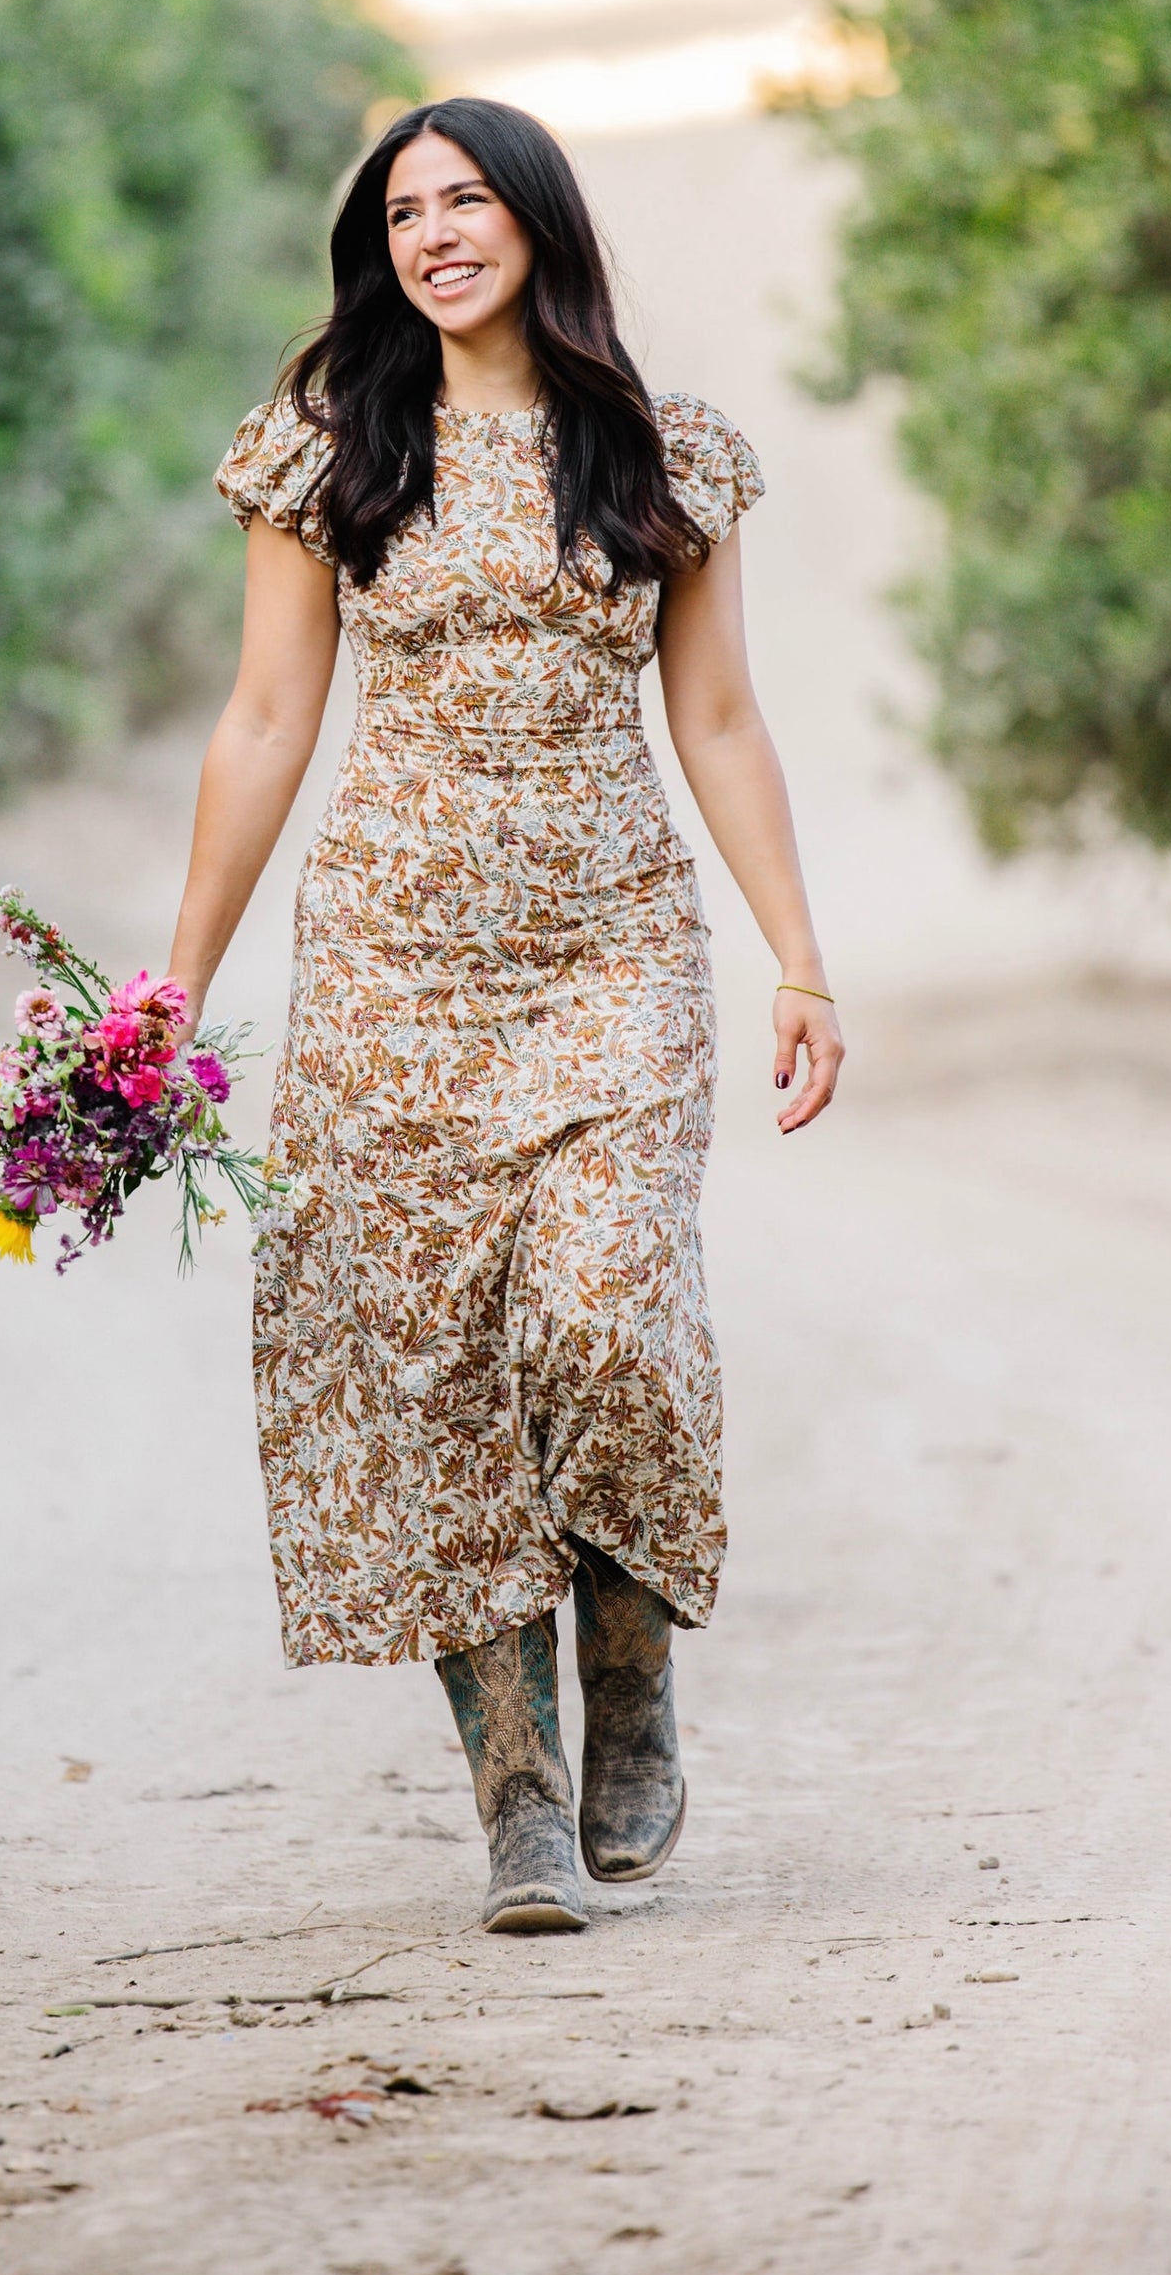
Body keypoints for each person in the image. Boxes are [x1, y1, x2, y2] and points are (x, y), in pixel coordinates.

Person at [162, 97, 842, 1934]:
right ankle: (519, 1800)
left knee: (606, 1319)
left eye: (468, 201)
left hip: (612, 959)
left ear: (540, 221)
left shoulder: (659, 454)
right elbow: (265, 721)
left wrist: (796, 956)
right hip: (387, 978)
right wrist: (179, 986)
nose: (436, 235)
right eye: (404, 213)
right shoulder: (332, 452)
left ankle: (632, 1673)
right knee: (435, 1365)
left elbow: (719, 721)